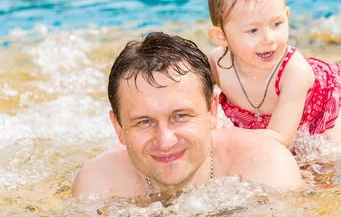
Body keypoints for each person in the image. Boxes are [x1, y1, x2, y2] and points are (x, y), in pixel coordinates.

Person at [72, 32, 303, 197]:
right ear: (118, 128)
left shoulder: (265, 169)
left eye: (180, 116)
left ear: (212, 111)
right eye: (144, 121)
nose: (165, 141)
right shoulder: (98, 186)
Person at [207, 0, 341, 149]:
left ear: (286, 17)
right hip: (271, 129)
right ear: (221, 37)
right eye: (253, 30)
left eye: (276, 24)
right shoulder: (215, 65)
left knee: (330, 169)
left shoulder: (294, 72)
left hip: (322, 112)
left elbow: (279, 139)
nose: (269, 38)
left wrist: (223, 136)